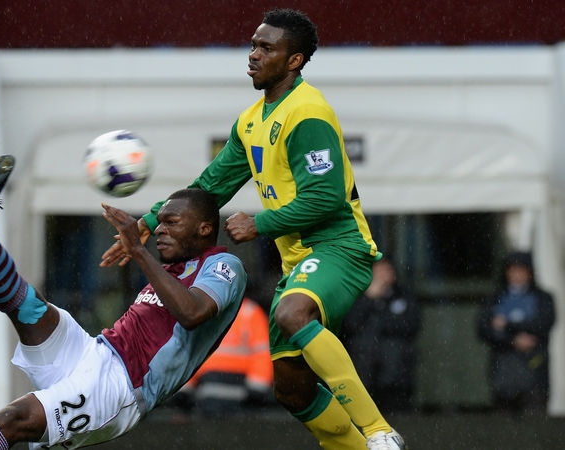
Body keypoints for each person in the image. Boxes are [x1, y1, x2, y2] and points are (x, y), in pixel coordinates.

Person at [102, 8, 404, 449]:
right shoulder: (250, 121)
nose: (253, 55)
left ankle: (378, 432)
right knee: (292, 389)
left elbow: (326, 198)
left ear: (295, 60)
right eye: (253, 45)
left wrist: (259, 223)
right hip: (299, 261)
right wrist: (147, 223)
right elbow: (210, 186)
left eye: (266, 47)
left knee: (291, 313)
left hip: (339, 247)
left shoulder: (308, 112)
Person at [0, 155, 247, 449]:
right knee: (30, 308)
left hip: (122, 387)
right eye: (161, 223)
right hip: (95, 350)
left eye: (171, 222)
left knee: (11, 420)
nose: (159, 229)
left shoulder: (224, 265)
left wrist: (138, 251)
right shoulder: (171, 269)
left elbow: (192, 313)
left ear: (204, 228)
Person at [477, 251, 555, 414]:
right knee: (503, 429)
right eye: (513, 269)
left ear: (530, 273)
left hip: (534, 374)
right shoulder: (495, 298)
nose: (517, 274)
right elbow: (483, 328)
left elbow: (543, 324)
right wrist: (512, 340)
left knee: (534, 427)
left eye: (521, 270)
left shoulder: (543, 298)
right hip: (503, 376)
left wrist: (507, 324)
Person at [340, 258, 422, 413]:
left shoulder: (404, 295)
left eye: (386, 271)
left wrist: (382, 320)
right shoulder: (355, 296)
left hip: (396, 373)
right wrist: (369, 299)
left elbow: (412, 325)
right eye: (377, 272)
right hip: (362, 371)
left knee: (398, 413)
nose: (382, 276)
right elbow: (349, 325)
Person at [178, 296, 273, 418]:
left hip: (235, 390)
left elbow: (261, 353)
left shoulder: (249, 312)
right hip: (211, 390)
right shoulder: (249, 312)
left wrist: (183, 387)